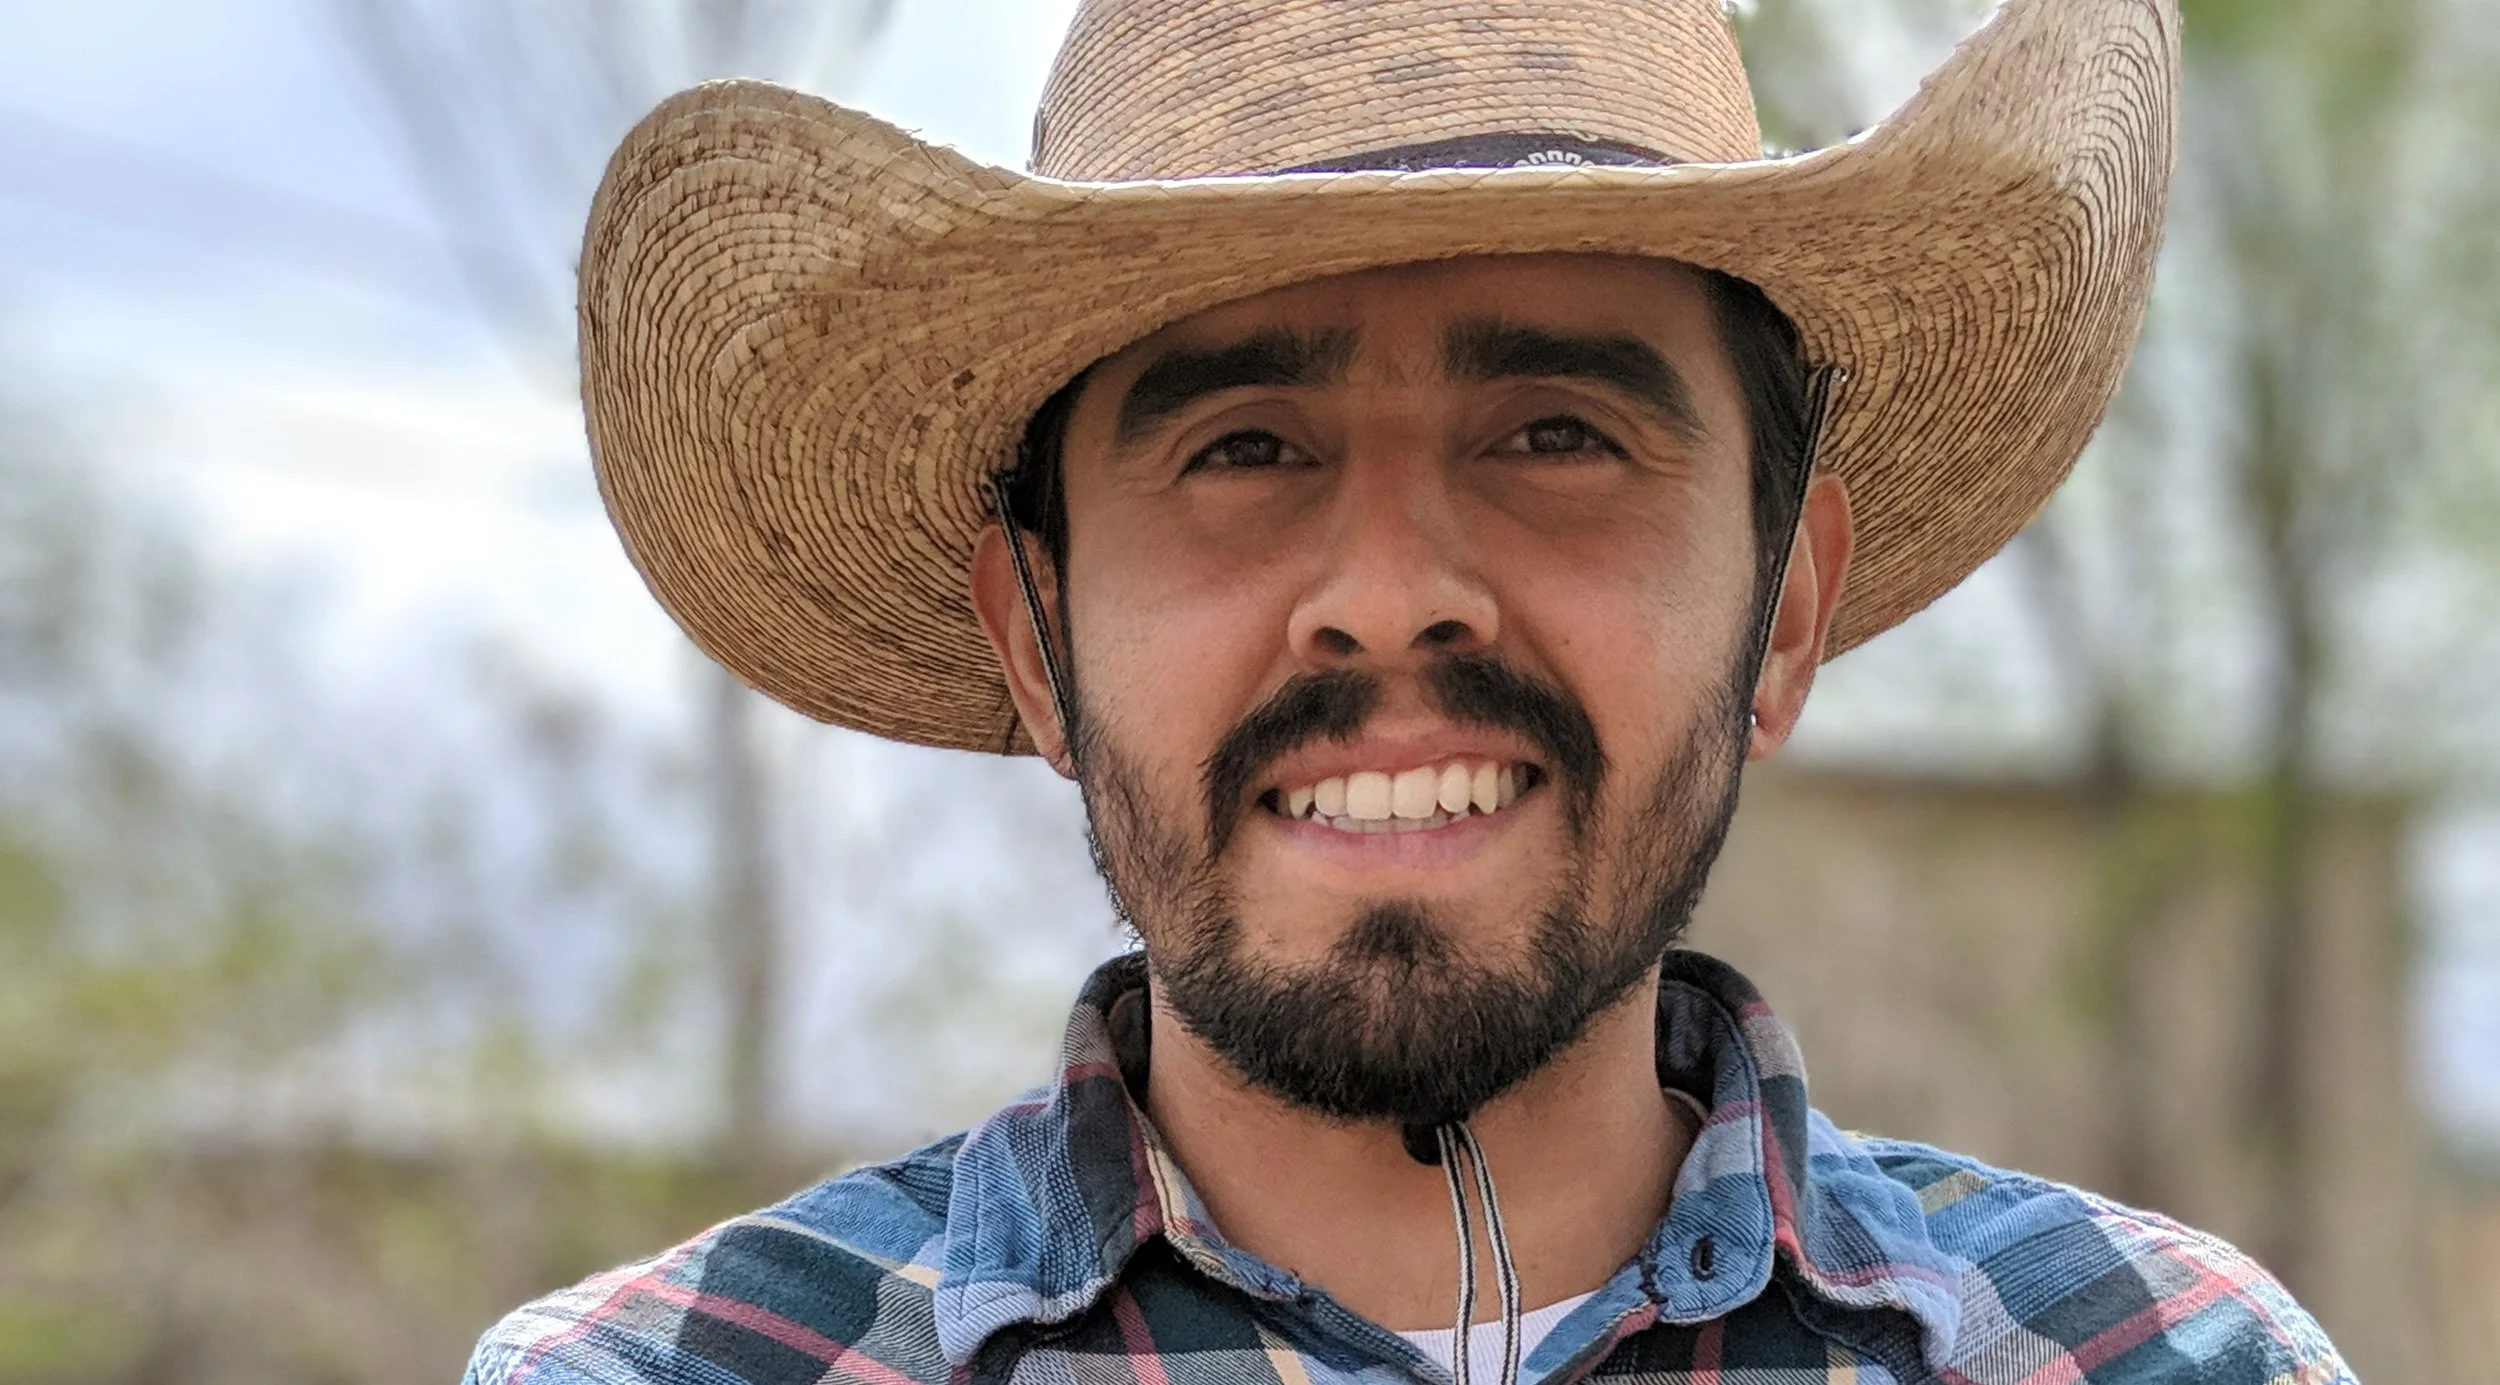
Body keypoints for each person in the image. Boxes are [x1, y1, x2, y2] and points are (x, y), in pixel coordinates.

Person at [467, 1, 2353, 1382]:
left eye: (1554, 429)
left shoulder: (2161, 1358)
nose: (1386, 601)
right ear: (1036, 641)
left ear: (1784, 609)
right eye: (1240, 447)